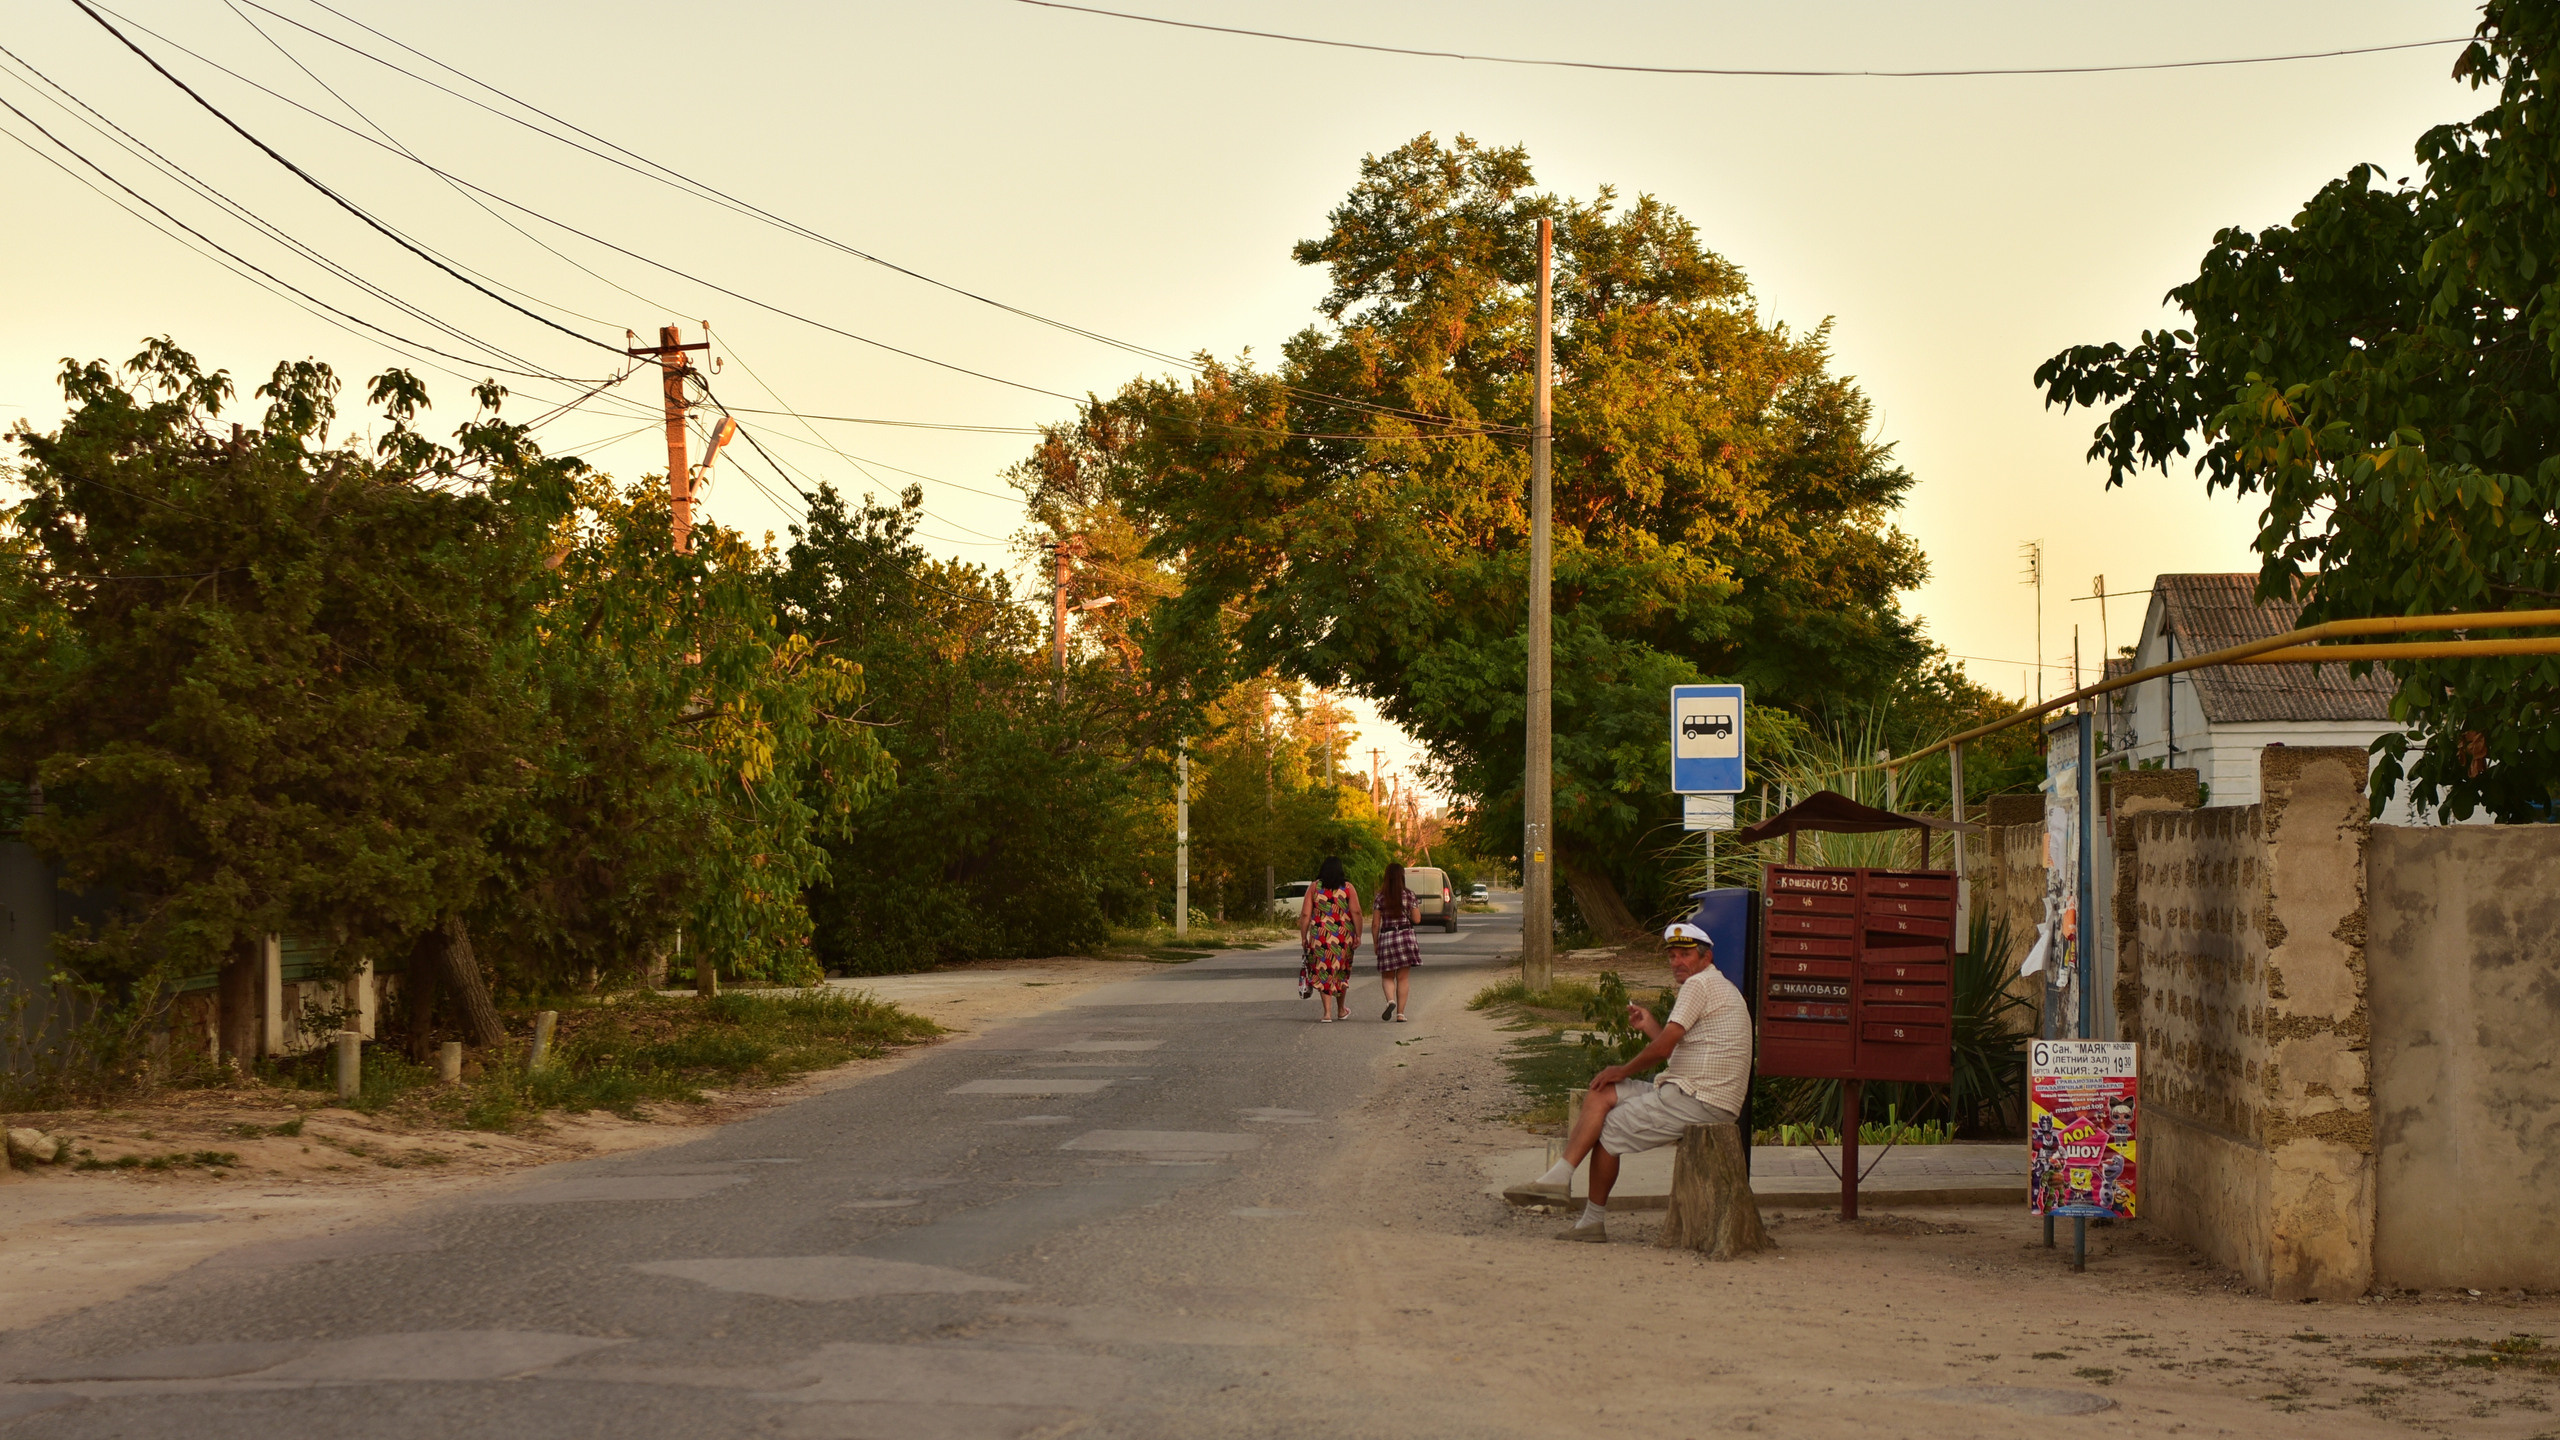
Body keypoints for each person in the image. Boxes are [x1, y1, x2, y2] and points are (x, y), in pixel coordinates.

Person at [1518, 922, 1751, 1242]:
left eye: (1685, 954)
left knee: (1608, 1131)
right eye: (1672, 955)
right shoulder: (1715, 985)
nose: (1677, 962)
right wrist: (1650, 1025)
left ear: (1706, 957)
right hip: (1697, 1092)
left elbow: (1665, 1049)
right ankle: (1559, 1177)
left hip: (1702, 1099)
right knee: (1603, 1092)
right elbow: (1679, 1051)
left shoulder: (1699, 985)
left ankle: (1591, 1222)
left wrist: (1623, 1069)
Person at [1298, 855, 1363, 1023]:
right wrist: (1358, 934)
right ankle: (1341, 1010)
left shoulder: (1314, 887)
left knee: (1324, 971)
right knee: (1340, 971)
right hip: (1343, 937)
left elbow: (1305, 914)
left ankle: (1327, 1013)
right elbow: (1356, 912)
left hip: (1320, 937)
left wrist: (1303, 936)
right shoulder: (1348, 888)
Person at [1371, 862, 1422, 1022]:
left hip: (1387, 937)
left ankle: (1390, 1001)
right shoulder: (1409, 895)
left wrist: (1375, 943)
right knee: (1403, 978)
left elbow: (1375, 924)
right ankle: (1400, 1014)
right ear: (1402, 877)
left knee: (1387, 976)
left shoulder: (1380, 897)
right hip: (1406, 937)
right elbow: (1417, 919)